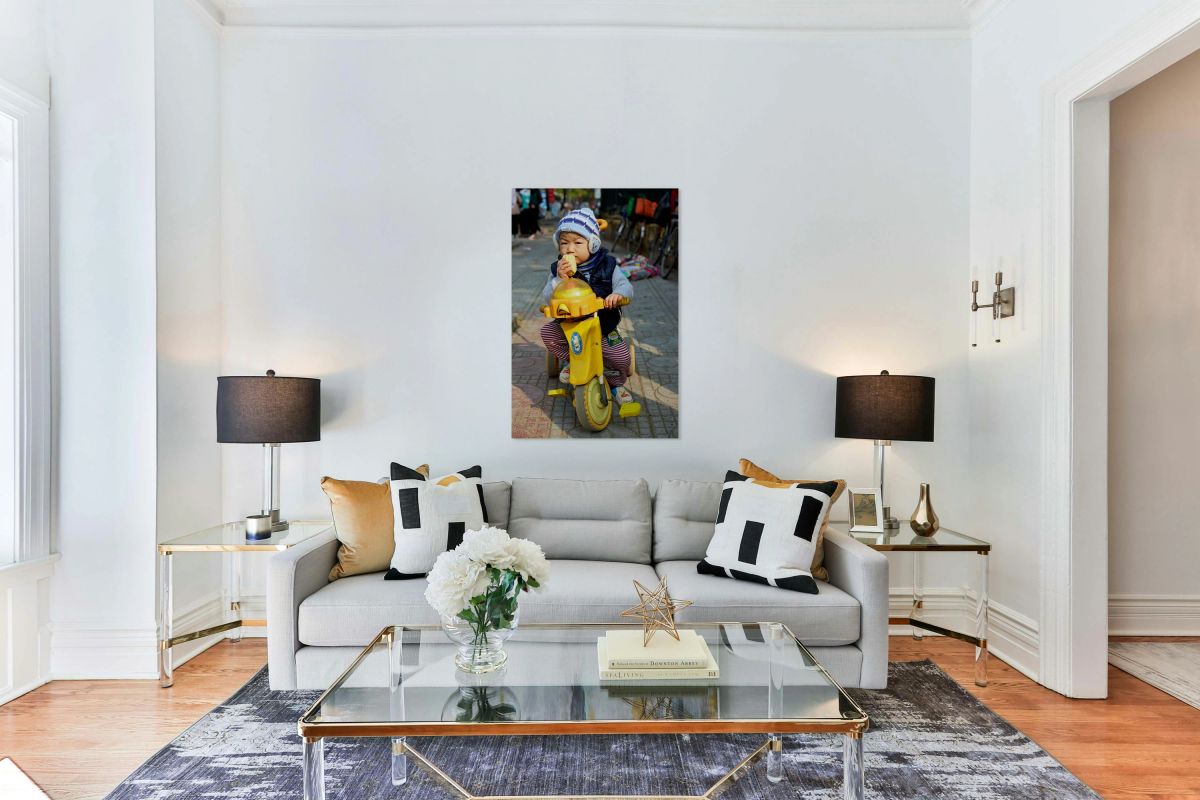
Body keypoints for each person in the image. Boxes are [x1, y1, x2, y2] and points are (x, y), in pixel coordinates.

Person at [539, 208, 636, 406]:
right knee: (548, 333)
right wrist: (559, 280)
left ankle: (616, 384)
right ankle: (573, 362)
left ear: (593, 243)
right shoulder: (558, 270)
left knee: (621, 359)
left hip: (603, 325)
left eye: (577, 243)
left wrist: (618, 294)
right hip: (570, 325)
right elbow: (548, 297)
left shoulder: (608, 265)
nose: (569, 249)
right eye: (564, 243)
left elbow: (625, 285)